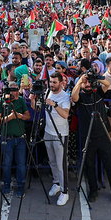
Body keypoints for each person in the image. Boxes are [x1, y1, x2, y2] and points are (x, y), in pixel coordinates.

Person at [70, 71, 111, 205]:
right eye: (85, 83)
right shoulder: (80, 96)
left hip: (103, 135)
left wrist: (97, 78)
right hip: (88, 137)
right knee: (89, 166)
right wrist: (80, 81)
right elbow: (74, 97)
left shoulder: (98, 92)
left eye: (89, 82)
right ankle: (93, 190)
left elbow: (108, 84)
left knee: (109, 166)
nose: (87, 84)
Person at [39, 71, 71, 206]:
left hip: (60, 133)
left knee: (61, 164)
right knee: (52, 161)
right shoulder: (47, 92)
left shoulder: (65, 97)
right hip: (48, 132)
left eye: (54, 82)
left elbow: (65, 115)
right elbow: (36, 108)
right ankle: (56, 183)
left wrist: (55, 104)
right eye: (50, 82)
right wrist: (34, 99)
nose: (51, 85)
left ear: (61, 83)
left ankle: (65, 192)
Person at [0, 81, 30, 197]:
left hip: (20, 138)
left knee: (21, 164)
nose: (14, 93)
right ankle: (6, 184)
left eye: (16, 90)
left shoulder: (20, 100)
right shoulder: (0, 102)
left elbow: (28, 116)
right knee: (7, 163)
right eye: (11, 90)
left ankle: (20, 186)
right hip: (6, 137)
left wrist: (19, 116)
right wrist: (10, 117)